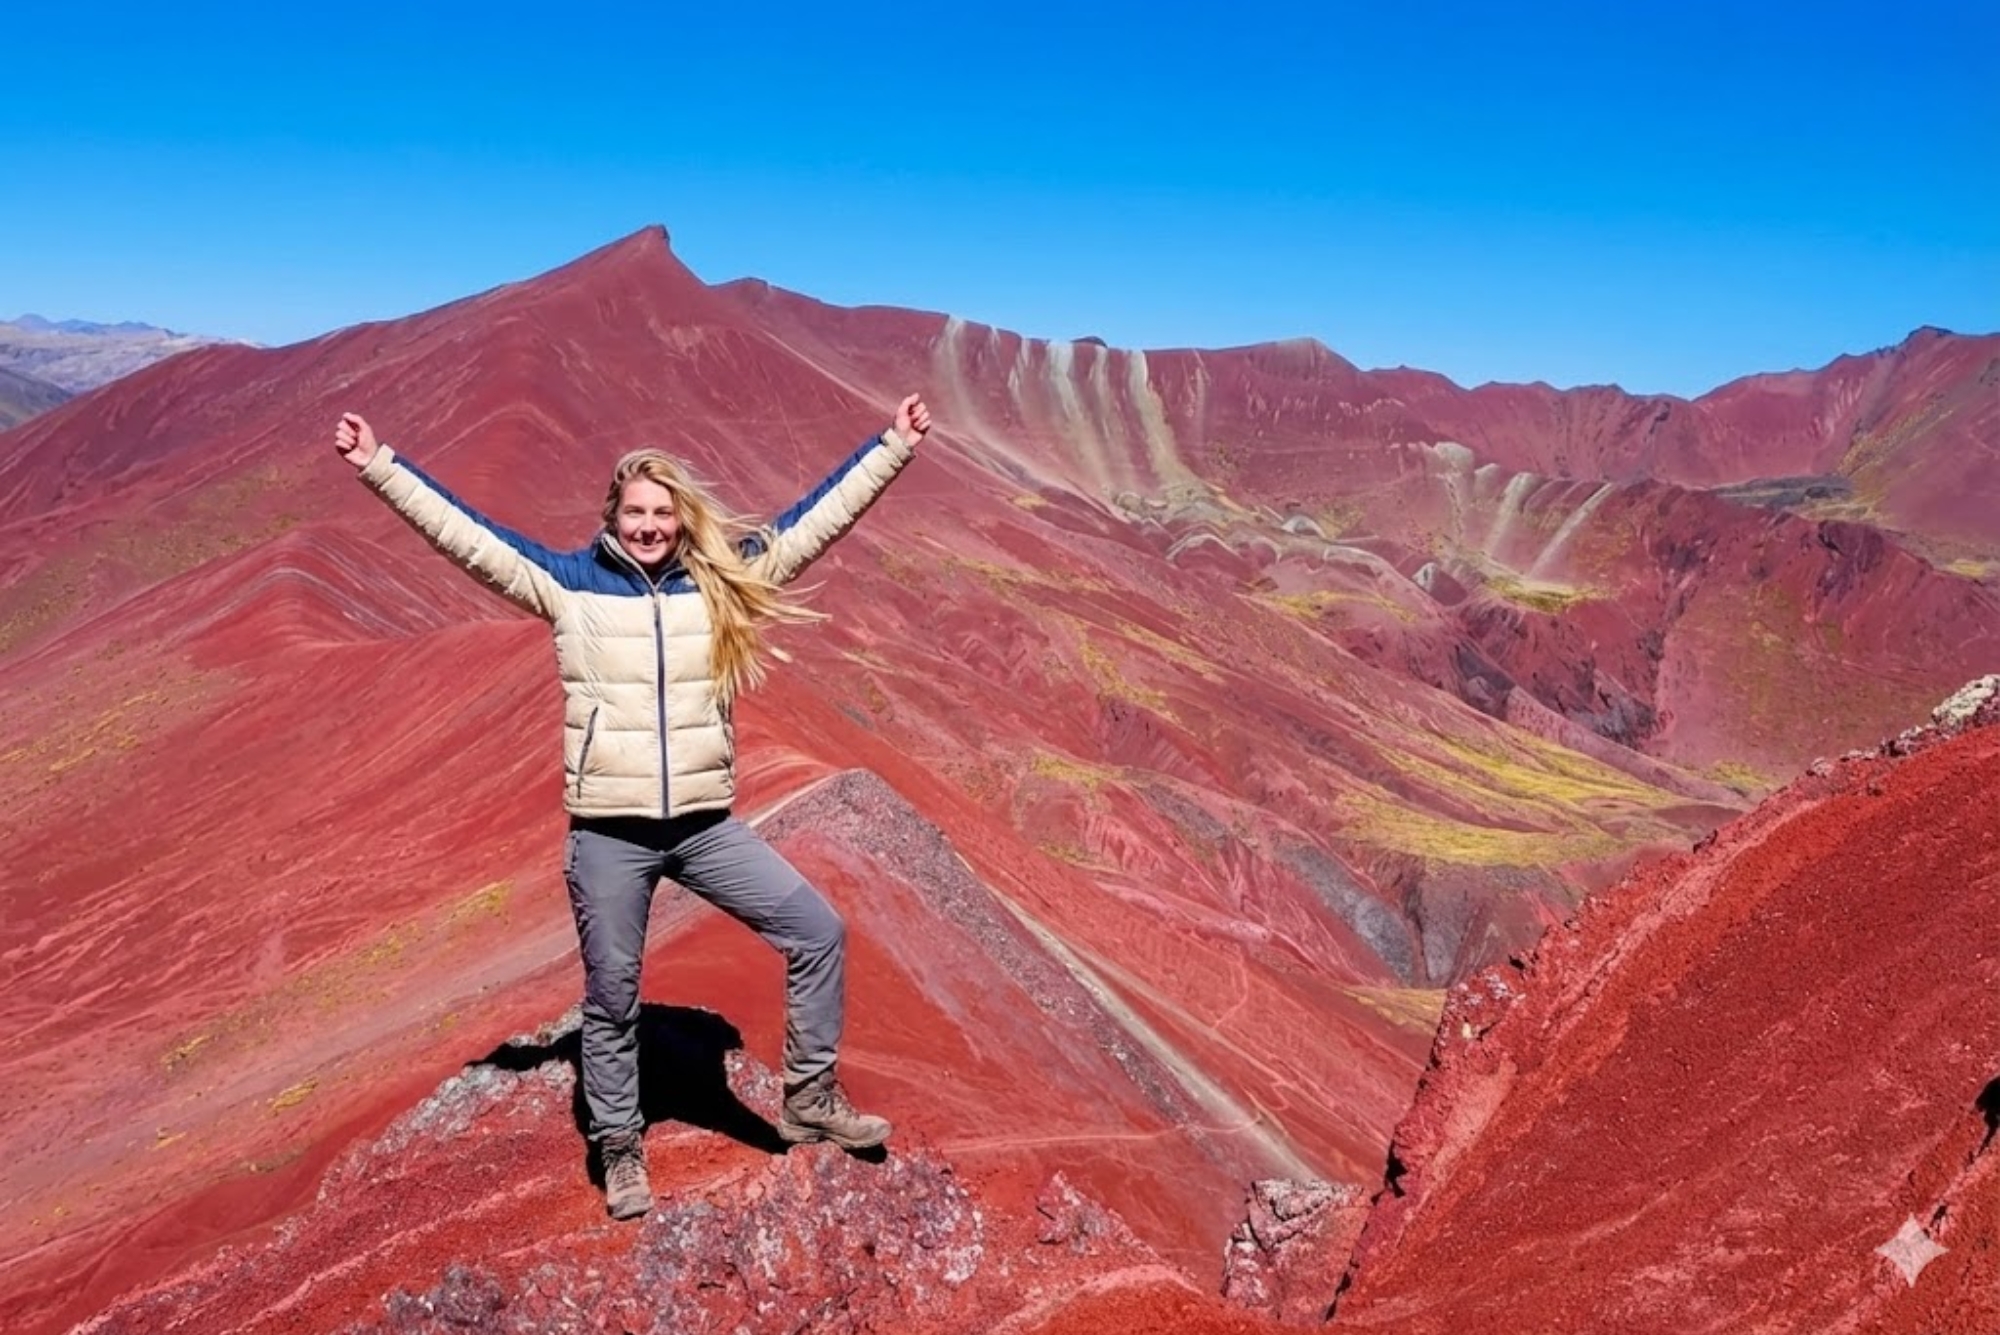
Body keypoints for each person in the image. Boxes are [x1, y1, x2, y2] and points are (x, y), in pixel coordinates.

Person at [332, 394, 932, 1220]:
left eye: (663, 513)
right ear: (611, 515)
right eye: (637, 511)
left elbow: (814, 522)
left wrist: (892, 447)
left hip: (703, 825)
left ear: (682, 521)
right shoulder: (570, 587)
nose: (650, 525)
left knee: (817, 930)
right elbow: (466, 538)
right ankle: (619, 1145)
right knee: (613, 995)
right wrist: (379, 465)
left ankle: (809, 1096)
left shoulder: (720, 584)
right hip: (610, 834)